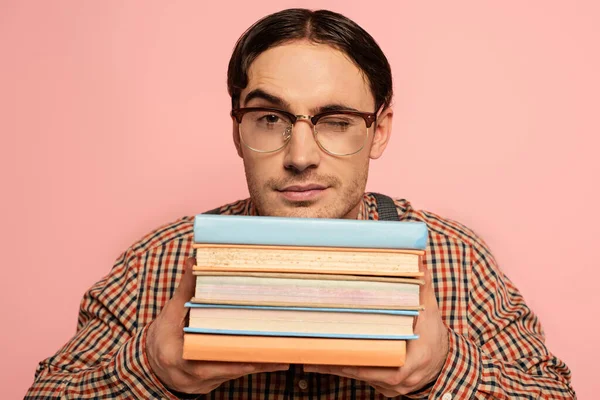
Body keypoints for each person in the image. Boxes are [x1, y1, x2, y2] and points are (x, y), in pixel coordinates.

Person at [26, 8, 575, 400]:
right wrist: (151, 370)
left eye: (336, 121)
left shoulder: (455, 260)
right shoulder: (157, 261)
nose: (301, 156)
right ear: (237, 129)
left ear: (379, 130)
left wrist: (445, 372)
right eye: (270, 119)